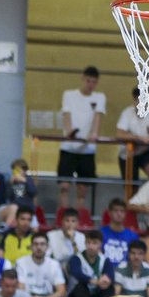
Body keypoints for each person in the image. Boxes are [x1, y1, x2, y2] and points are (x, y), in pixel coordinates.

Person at [59, 66, 106, 210]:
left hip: (87, 150)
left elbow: (97, 117)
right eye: (88, 81)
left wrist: (93, 134)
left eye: (94, 82)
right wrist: (69, 132)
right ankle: (63, 218)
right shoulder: (69, 95)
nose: (90, 85)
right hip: (68, 147)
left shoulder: (99, 97)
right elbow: (66, 115)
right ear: (82, 79)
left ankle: (78, 220)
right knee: (64, 186)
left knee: (82, 189)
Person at [16, 232, 75, 297]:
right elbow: (21, 290)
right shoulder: (21, 262)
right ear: (31, 246)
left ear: (47, 247)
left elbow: (61, 291)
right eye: (36, 244)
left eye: (42, 244)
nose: (39, 247)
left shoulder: (54, 264)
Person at [115, 87, 149, 181]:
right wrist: (138, 138)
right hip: (127, 153)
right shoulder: (127, 113)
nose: (141, 104)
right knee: (130, 186)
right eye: (138, 100)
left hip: (146, 151)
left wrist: (147, 140)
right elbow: (119, 134)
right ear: (134, 100)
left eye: (144, 100)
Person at [69, 229, 116, 297]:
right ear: (85, 243)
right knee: (80, 287)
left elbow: (110, 274)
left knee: (109, 288)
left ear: (100, 244)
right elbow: (77, 273)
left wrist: (106, 280)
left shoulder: (105, 260)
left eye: (95, 243)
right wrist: (94, 281)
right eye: (88, 243)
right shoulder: (77, 258)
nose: (91, 246)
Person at [102, 198, 140, 269]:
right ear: (109, 213)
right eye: (116, 211)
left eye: (122, 211)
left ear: (125, 214)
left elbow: (136, 258)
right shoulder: (101, 233)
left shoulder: (133, 236)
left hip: (125, 273)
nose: (119, 214)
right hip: (104, 272)